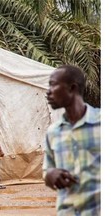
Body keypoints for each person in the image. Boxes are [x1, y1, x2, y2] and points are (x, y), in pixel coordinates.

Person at [43, 65, 100, 215]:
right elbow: (47, 170)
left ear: (72, 88)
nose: (48, 92)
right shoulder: (53, 132)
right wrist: (51, 175)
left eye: (53, 84)